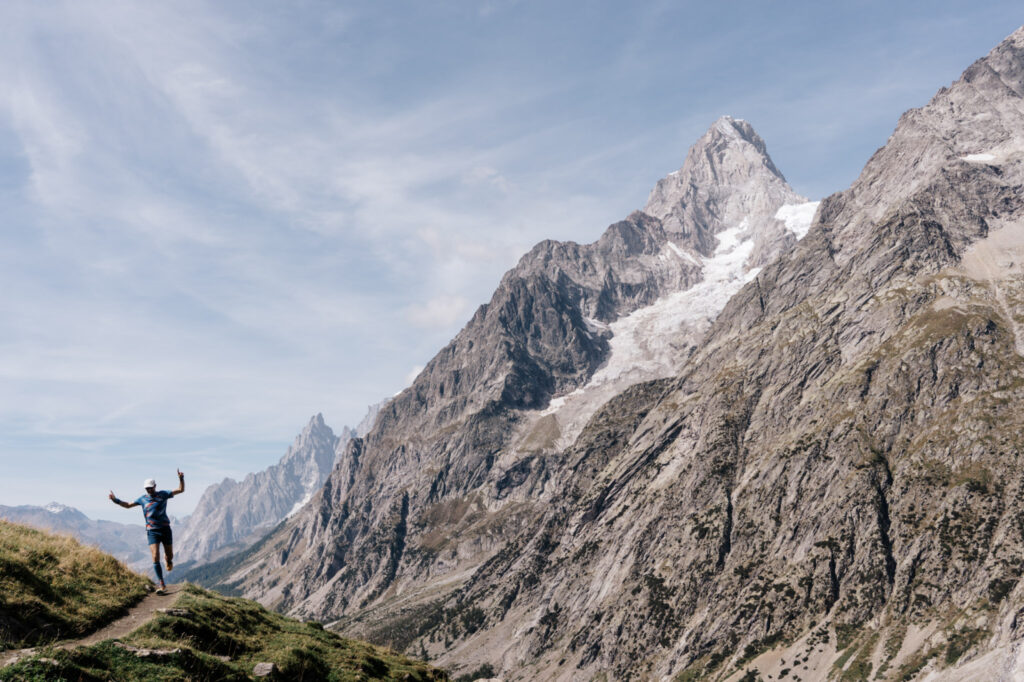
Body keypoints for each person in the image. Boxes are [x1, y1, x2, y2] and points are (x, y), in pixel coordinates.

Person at [109, 470, 185, 594]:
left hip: (165, 529)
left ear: (155, 486)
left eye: (150, 488)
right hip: (152, 531)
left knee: (169, 555)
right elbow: (128, 505)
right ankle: (161, 584)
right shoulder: (142, 499)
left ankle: (168, 560)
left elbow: (180, 490)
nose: (149, 490)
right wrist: (115, 500)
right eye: (147, 489)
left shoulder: (163, 494)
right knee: (155, 557)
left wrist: (181, 479)